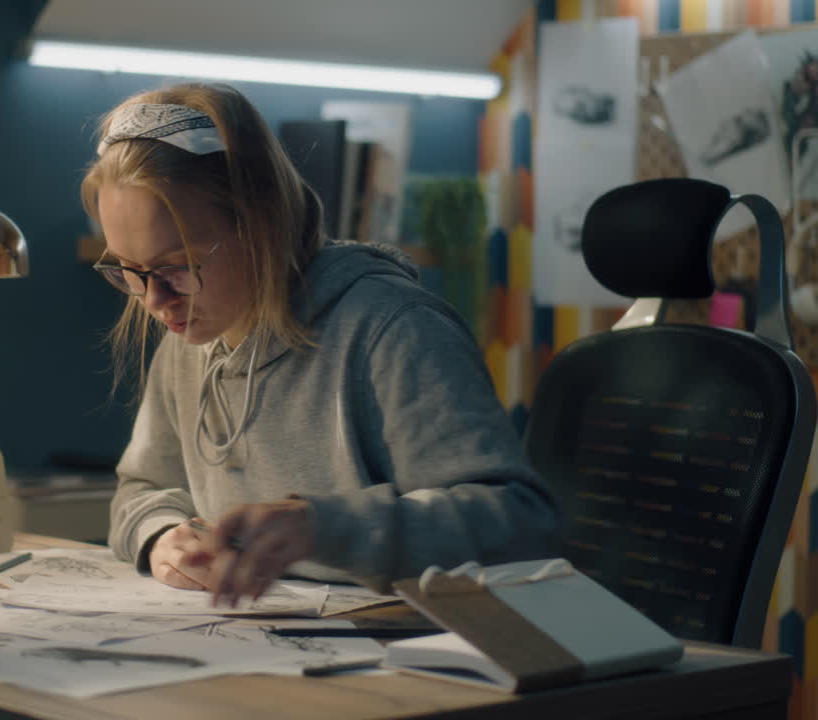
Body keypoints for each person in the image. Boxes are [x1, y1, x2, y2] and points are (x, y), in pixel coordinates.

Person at [82, 83, 559, 607]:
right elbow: (140, 488)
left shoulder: (394, 329)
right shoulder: (191, 335)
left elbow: (521, 526)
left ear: (261, 223)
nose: (154, 300)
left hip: (409, 664)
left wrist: (327, 527)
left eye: (179, 266)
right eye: (129, 271)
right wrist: (159, 535)